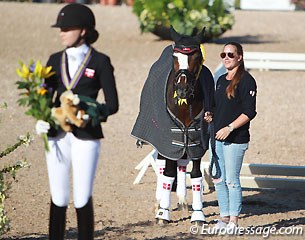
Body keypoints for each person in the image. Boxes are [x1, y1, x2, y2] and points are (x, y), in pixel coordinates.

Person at [35, 3, 119, 239]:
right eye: (60, 28)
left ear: (83, 30)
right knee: (58, 196)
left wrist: (86, 108)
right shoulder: (53, 59)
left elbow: (112, 105)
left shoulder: (100, 61)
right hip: (56, 135)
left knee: (82, 196)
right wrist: (40, 119)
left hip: (86, 135)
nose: (61, 32)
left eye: (67, 27)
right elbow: (44, 97)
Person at [211, 42, 257, 231]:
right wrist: (209, 116)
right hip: (217, 138)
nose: (227, 58)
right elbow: (216, 107)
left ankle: (233, 221)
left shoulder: (247, 80)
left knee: (232, 180)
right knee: (218, 180)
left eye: (231, 54)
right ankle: (223, 218)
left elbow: (249, 112)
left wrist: (229, 128)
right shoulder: (221, 79)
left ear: (240, 57)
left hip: (235, 139)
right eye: (224, 54)